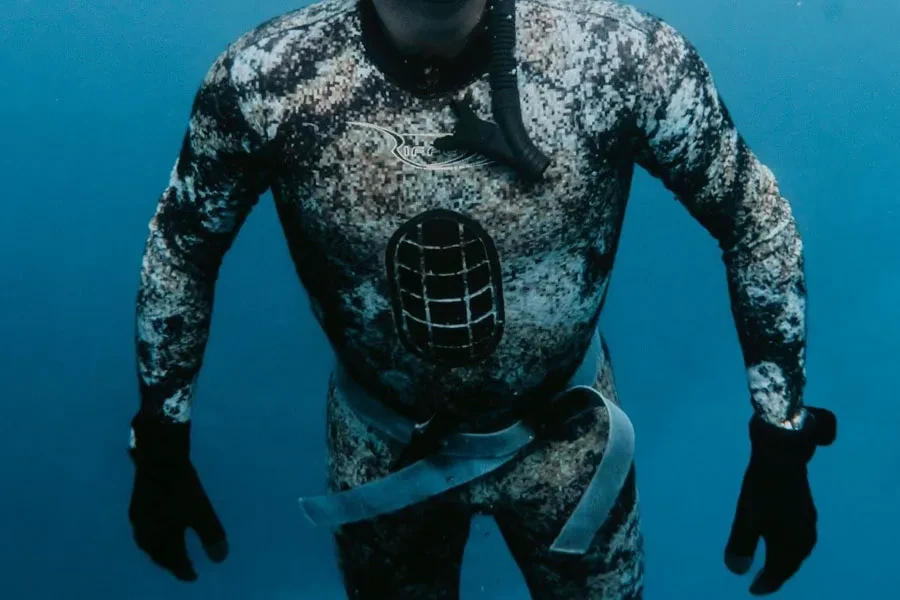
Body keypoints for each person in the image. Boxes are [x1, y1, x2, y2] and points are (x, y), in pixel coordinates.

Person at [126, 0, 838, 598]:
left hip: (567, 441)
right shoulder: (267, 83)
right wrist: (159, 441)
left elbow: (753, 219)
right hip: (384, 445)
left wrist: (782, 437)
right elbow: (183, 247)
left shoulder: (617, 60)